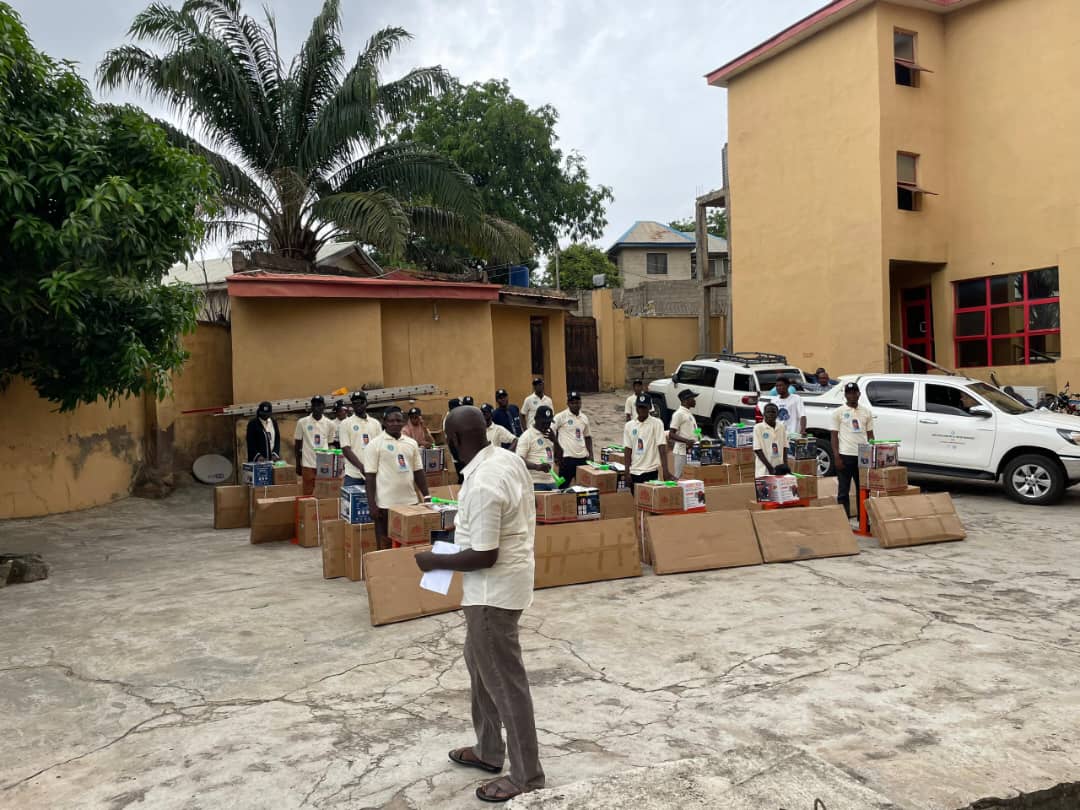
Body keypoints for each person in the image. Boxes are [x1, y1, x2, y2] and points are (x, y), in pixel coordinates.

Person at [414, 406, 545, 803]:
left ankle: (526, 775)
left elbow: (484, 554)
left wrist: (434, 561)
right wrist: (463, 522)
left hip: (492, 595)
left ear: (453, 441)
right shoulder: (505, 459)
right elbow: (504, 518)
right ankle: (489, 750)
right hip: (505, 585)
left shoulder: (485, 482)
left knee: (505, 684)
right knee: (479, 667)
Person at [363, 406, 429, 549]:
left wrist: (426, 496)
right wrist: (372, 505)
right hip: (386, 505)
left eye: (398, 420)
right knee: (385, 543)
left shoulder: (411, 443)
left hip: (410, 503)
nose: (395, 423)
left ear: (403, 422)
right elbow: (370, 477)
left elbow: (418, 472)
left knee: (410, 543)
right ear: (384, 422)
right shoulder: (375, 445)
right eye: (391, 421)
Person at [831, 382, 876, 522]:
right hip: (845, 455)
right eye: (849, 393)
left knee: (862, 489)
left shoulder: (866, 412)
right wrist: (836, 457)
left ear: (859, 394)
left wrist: (873, 454)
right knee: (843, 491)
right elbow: (833, 436)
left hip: (863, 455)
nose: (852, 395)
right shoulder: (838, 412)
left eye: (854, 392)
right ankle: (843, 521)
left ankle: (863, 520)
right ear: (845, 395)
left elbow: (870, 435)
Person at [622, 395, 671, 490]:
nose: (642, 410)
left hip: (651, 471)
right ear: (636, 408)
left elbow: (661, 447)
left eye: (644, 407)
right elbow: (628, 449)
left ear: (649, 408)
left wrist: (665, 470)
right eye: (640, 407)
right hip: (634, 472)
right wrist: (626, 471)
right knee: (636, 502)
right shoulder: (629, 426)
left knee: (650, 503)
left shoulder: (657, 423)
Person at [294, 395, 338, 496]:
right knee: (308, 494)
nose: (317, 408)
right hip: (308, 463)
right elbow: (297, 445)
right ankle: (309, 511)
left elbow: (330, 444)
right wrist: (298, 464)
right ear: (311, 407)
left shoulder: (330, 424)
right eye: (314, 405)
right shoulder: (302, 422)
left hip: (324, 464)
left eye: (319, 405)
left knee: (324, 493)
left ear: (324, 406)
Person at [339, 391, 382, 488]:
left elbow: (380, 447)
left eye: (361, 402)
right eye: (355, 403)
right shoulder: (345, 423)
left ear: (366, 403)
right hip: (353, 475)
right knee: (351, 503)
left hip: (373, 473)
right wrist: (361, 467)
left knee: (374, 502)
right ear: (352, 405)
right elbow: (346, 449)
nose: (358, 405)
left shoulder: (375, 423)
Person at [553, 392, 592, 485]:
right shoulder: (560, 416)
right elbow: (551, 432)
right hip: (567, 459)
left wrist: (591, 454)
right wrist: (556, 453)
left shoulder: (584, 418)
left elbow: (588, 437)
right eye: (572, 403)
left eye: (577, 402)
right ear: (568, 403)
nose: (575, 405)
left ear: (581, 403)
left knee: (583, 487)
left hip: (582, 459)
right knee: (562, 487)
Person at [516, 405, 559, 491]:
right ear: (536, 419)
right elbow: (518, 460)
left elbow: (559, 458)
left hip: (551, 480)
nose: (546, 425)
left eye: (549, 423)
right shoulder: (527, 436)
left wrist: (555, 441)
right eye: (543, 422)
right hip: (534, 482)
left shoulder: (550, 434)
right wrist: (537, 467)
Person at [667, 389, 698, 479]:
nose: (695, 400)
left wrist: (700, 437)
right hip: (681, 452)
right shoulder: (678, 414)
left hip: (691, 451)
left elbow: (693, 430)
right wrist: (687, 441)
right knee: (679, 476)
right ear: (685, 400)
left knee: (690, 477)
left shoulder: (689, 414)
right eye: (693, 398)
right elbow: (671, 434)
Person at [753, 403, 789, 477]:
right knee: (765, 488)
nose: (771, 414)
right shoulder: (758, 428)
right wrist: (770, 468)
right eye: (768, 412)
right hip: (764, 468)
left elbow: (785, 447)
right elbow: (757, 449)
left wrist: (785, 465)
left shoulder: (781, 427)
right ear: (764, 414)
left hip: (779, 467)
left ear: (777, 414)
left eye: (773, 412)